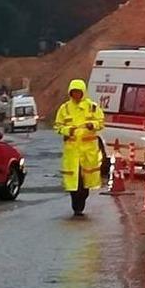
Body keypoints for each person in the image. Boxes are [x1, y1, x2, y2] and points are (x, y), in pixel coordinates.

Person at [54, 79, 104, 216]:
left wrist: (92, 125)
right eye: (74, 92)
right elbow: (57, 126)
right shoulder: (64, 109)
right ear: (70, 93)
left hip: (88, 152)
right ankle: (76, 207)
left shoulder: (92, 107)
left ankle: (81, 203)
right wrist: (67, 131)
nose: (76, 94)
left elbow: (101, 122)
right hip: (72, 152)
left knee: (85, 183)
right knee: (74, 183)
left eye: (78, 92)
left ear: (83, 92)